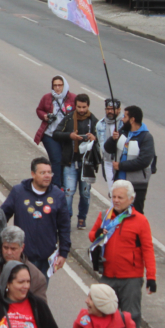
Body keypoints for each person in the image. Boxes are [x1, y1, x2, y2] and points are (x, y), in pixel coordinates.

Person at [89, 180, 156, 328]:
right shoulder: (105, 216)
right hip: (108, 275)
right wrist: (97, 234)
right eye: (114, 197)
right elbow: (92, 235)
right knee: (101, 314)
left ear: (131, 199)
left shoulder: (140, 221)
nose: (116, 201)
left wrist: (151, 276)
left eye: (120, 197)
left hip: (131, 278)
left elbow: (148, 249)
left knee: (130, 317)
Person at [0, 158, 71, 279]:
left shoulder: (58, 195)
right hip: (21, 257)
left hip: (45, 258)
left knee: (38, 295)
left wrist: (63, 253)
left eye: (49, 172)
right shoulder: (18, 192)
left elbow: (64, 226)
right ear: (33, 174)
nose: (47, 176)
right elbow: (1, 216)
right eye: (43, 173)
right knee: (19, 292)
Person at [53, 93, 98, 229]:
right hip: (70, 162)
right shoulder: (68, 119)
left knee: (85, 193)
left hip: (87, 163)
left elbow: (102, 140)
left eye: (84, 107)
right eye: (79, 107)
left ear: (88, 106)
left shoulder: (93, 121)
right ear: (75, 106)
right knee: (68, 192)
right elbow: (56, 134)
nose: (82, 110)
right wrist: (70, 136)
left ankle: (82, 218)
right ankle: (67, 217)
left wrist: (93, 138)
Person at [107, 106, 155, 213]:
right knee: (118, 212)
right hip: (119, 181)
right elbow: (108, 148)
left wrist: (120, 166)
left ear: (132, 120)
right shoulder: (123, 131)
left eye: (125, 116)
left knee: (135, 213)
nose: (122, 119)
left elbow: (144, 161)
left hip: (136, 184)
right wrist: (112, 139)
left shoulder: (146, 137)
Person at [34, 75, 76, 188]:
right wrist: (45, 116)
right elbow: (39, 110)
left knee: (65, 160)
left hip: (65, 136)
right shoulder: (47, 98)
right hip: (50, 135)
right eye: (55, 85)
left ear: (64, 85)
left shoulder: (72, 98)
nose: (57, 88)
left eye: (60, 85)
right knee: (56, 160)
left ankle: (63, 183)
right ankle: (56, 186)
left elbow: (79, 114)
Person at [68, 284, 139, 328]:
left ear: (101, 304)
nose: (86, 301)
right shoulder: (83, 318)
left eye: (91, 299)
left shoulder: (124, 320)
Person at [96, 98, 125, 189]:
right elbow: (103, 146)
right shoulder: (100, 125)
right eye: (108, 109)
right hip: (108, 161)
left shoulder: (124, 123)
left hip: (121, 162)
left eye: (112, 109)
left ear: (119, 110)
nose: (110, 111)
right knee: (112, 190)